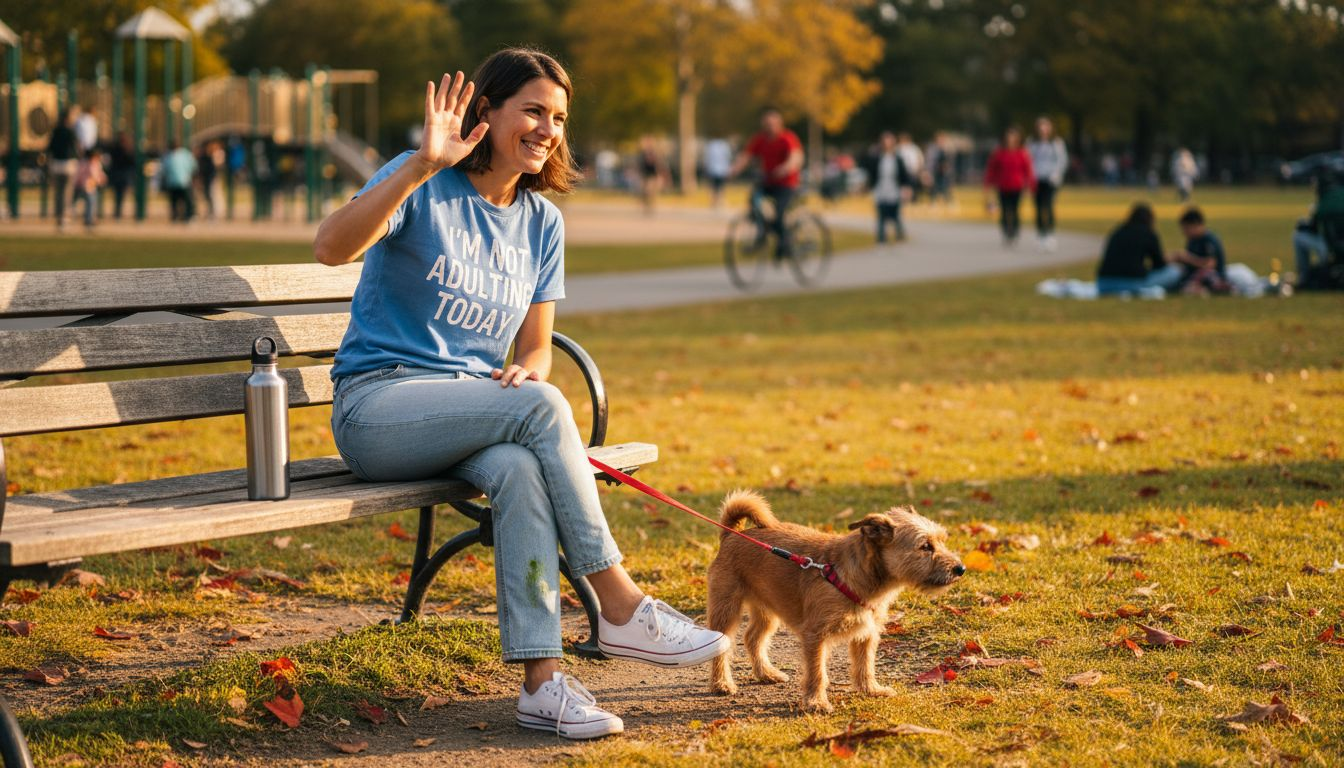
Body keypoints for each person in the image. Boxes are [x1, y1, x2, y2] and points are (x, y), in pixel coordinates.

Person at [311, 49, 729, 740]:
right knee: (540, 413)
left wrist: (531, 370)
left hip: (472, 414)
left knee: (518, 466)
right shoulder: (424, 180)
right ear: (489, 112)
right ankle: (620, 605)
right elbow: (331, 248)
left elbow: (536, 347)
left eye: (558, 117)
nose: (547, 129)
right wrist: (420, 165)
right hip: (378, 408)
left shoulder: (542, 224)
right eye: (533, 110)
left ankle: (542, 684)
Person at [730, 107, 804, 258]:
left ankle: (785, 242)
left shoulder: (787, 138)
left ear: (779, 124)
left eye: (772, 124)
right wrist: (734, 170)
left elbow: (796, 157)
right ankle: (761, 234)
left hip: (786, 184)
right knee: (754, 200)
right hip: (768, 181)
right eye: (767, 124)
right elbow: (746, 156)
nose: (769, 127)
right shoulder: (760, 139)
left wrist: (785, 168)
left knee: (778, 215)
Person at [1095, 203, 1182, 296]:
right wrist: (1171, 258)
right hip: (1131, 284)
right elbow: (1159, 264)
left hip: (1103, 283)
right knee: (1174, 272)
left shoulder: (1118, 231)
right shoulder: (1148, 234)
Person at [983, 127, 1035, 247]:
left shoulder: (1022, 153)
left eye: (1013, 137)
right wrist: (988, 185)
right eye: (1008, 137)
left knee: (1015, 210)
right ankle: (1006, 232)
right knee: (1005, 210)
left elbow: (1028, 171)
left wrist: (1029, 185)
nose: (1010, 139)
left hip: (1017, 186)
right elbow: (991, 170)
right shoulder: (999, 153)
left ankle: (1015, 232)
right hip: (1002, 186)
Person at [1027, 116, 1067, 251]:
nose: (1043, 129)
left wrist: (1056, 174)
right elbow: (1028, 160)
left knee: (1049, 205)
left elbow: (1062, 160)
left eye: (1046, 126)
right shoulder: (1032, 143)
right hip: (1036, 179)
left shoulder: (1056, 142)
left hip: (1050, 179)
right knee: (1038, 207)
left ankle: (1050, 233)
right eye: (1041, 126)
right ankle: (1040, 233)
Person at [862, 131, 911, 243]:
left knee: (895, 213)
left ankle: (899, 234)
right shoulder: (877, 158)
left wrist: (906, 188)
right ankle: (881, 237)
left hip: (894, 189)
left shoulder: (898, 159)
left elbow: (904, 175)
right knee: (881, 214)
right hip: (881, 189)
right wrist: (867, 186)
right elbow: (872, 174)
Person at [1171, 207, 1229, 294]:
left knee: (1203, 277)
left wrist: (1187, 258)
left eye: (1186, 228)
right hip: (1196, 274)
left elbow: (1210, 264)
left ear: (1196, 225)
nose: (1184, 232)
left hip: (1213, 275)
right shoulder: (1192, 240)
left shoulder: (1209, 240)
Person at [46, 107, 81, 231]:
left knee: (58, 192)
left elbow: (50, 147)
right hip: (68, 164)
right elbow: (76, 148)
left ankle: (59, 216)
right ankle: (64, 217)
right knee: (67, 192)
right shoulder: (71, 131)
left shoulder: (55, 131)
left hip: (56, 164)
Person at [71, 147, 108, 231]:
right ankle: (83, 219)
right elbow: (78, 176)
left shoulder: (96, 164)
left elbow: (99, 175)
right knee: (77, 202)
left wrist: (101, 179)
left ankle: (89, 220)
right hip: (82, 187)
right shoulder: (84, 164)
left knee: (91, 203)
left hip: (91, 188)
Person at [160, 141, 198, 222]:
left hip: (180, 181)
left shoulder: (169, 156)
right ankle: (181, 216)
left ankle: (182, 216)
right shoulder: (184, 155)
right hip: (181, 181)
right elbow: (193, 166)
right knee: (180, 201)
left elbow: (164, 170)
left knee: (179, 201)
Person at [635, 135, 667, 216]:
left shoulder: (654, 153)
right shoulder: (642, 153)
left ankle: (650, 207)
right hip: (644, 175)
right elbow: (639, 165)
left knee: (650, 192)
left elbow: (659, 165)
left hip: (652, 176)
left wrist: (660, 176)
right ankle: (646, 206)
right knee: (644, 192)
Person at [108, 132, 135, 220]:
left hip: (118, 174)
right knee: (120, 194)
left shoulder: (114, 149)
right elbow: (131, 162)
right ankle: (118, 212)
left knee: (118, 194)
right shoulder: (127, 149)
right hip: (123, 175)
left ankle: (117, 212)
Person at [702, 136, 733, 208]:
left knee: (715, 186)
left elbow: (707, 158)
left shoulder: (711, 145)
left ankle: (715, 201)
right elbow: (728, 157)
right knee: (719, 186)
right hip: (720, 169)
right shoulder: (724, 145)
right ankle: (718, 201)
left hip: (715, 169)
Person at [896, 132, 923, 203]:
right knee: (903, 187)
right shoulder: (898, 148)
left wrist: (918, 169)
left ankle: (912, 200)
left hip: (913, 171)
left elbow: (919, 158)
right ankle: (904, 200)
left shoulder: (914, 148)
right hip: (902, 171)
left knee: (912, 186)